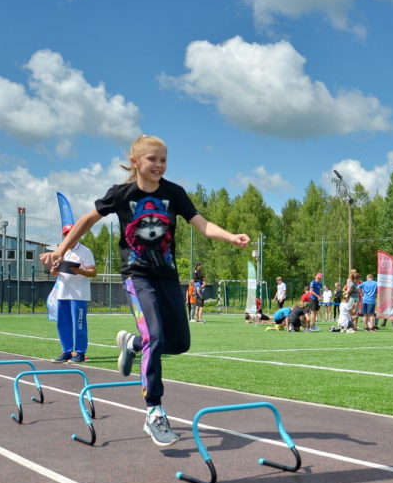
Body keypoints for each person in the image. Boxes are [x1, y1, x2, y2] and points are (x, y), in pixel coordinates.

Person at [40, 134, 249, 447]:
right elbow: (86, 220)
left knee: (178, 343)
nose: (160, 165)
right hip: (137, 277)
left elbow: (201, 224)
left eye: (164, 159)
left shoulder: (174, 193)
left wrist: (230, 236)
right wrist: (61, 250)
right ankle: (154, 411)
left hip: (166, 277)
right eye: (153, 159)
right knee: (155, 335)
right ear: (136, 162)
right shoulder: (122, 194)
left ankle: (132, 343)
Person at [49, 224, 97, 363]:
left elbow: (93, 272)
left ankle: (80, 353)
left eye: (72, 233)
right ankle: (66, 352)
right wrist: (54, 269)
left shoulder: (85, 251)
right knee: (63, 324)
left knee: (79, 324)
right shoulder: (60, 251)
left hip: (79, 295)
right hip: (63, 293)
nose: (69, 236)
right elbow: (54, 273)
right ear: (63, 236)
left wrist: (80, 271)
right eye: (66, 234)